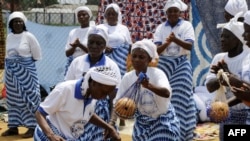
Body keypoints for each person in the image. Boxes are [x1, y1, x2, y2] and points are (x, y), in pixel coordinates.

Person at [110, 39, 180, 141]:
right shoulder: (127, 78)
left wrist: (149, 86)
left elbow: (166, 93)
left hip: (162, 121)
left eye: (141, 57)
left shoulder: (157, 74)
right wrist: (111, 123)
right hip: (141, 124)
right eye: (134, 56)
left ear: (149, 59)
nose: (137, 60)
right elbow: (117, 102)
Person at [34, 66, 121, 141]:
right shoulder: (65, 89)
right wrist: (51, 135)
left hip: (68, 137)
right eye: (104, 92)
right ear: (94, 83)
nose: (105, 96)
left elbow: (89, 114)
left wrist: (109, 127)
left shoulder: (91, 94)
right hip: (48, 135)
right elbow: (40, 113)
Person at [64, 27, 121, 141]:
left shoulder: (111, 66)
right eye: (91, 42)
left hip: (101, 116)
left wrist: (110, 123)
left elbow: (114, 99)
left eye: (99, 43)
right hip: (77, 113)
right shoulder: (77, 62)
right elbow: (68, 89)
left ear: (105, 45)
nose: (94, 46)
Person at [153, 0, 196, 140]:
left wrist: (175, 40)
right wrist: (167, 42)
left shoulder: (187, 26)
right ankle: (166, 131)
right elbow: (156, 51)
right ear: (166, 13)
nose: (172, 13)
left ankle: (183, 132)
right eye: (169, 11)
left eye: (175, 11)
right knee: (163, 97)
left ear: (180, 12)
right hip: (164, 64)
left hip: (181, 63)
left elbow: (189, 47)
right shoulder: (160, 28)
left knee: (181, 98)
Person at [205, 12, 250, 141]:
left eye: (227, 37)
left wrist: (228, 77)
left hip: (245, 112)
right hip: (228, 113)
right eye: (221, 36)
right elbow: (209, 86)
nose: (222, 39)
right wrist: (223, 77)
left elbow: (244, 89)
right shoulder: (219, 58)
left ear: (237, 39)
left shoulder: (246, 59)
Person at [2, 11, 42, 138]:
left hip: (27, 73)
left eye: (20, 21)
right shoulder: (9, 37)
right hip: (11, 74)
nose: (18, 24)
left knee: (31, 97)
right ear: (11, 24)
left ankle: (32, 126)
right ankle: (13, 127)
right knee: (13, 99)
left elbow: (37, 55)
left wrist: (23, 66)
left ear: (23, 23)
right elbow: (8, 56)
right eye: (15, 22)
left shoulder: (29, 36)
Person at [98, 3, 132, 77]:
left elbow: (129, 46)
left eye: (113, 14)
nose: (111, 16)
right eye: (108, 14)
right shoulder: (100, 28)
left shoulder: (124, 29)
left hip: (120, 61)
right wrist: (104, 48)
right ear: (105, 16)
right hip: (103, 59)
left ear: (118, 15)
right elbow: (94, 44)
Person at [64, 6, 95, 75]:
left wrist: (80, 45)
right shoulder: (73, 32)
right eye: (79, 15)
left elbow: (93, 53)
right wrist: (74, 46)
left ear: (89, 16)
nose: (81, 17)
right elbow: (67, 53)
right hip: (74, 64)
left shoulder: (93, 31)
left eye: (84, 15)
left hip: (89, 63)